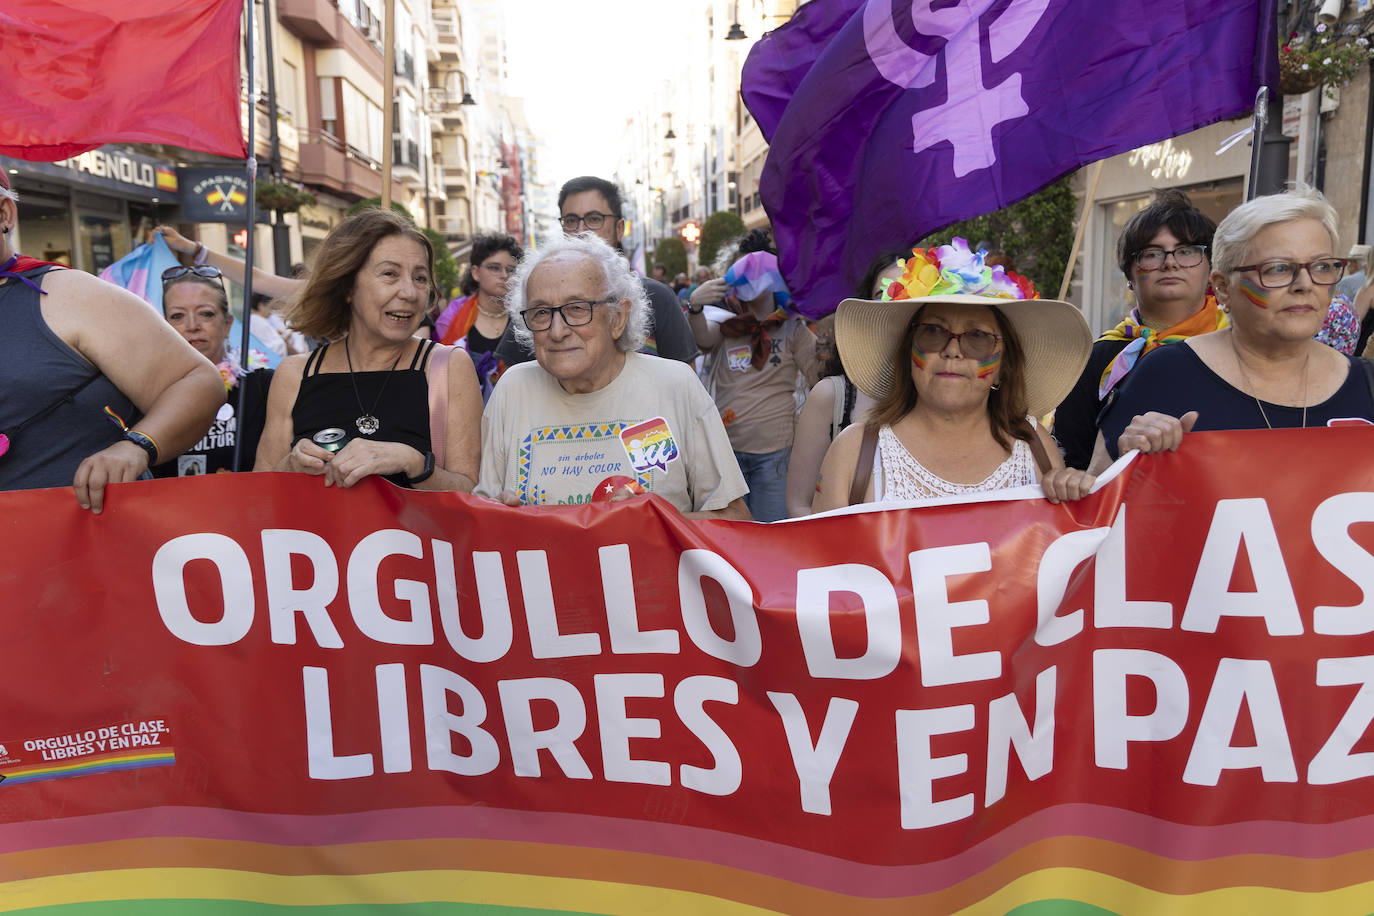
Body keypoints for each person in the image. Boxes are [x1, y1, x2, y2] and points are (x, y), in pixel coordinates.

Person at [1092, 187, 1373, 468]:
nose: (1304, 284)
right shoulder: (1164, 373)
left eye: (1322, 267)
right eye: (1277, 268)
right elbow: (1097, 497)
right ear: (1223, 288)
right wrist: (1129, 459)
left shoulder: (1368, 384)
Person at [476, 234, 749, 519]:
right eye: (542, 312)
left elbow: (736, 518)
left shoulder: (675, 385)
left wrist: (654, 521)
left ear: (617, 318)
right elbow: (482, 515)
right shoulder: (513, 390)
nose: (557, 332)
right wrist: (498, 516)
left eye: (577, 308)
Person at [814, 240, 1095, 511]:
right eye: (933, 332)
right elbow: (820, 557)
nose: (952, 351)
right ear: (907, 353)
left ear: (1003, 367)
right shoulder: (854, 452)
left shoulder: (1037, 448)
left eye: (977, 337)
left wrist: (1078, 496)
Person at [0, 172, 224, 511]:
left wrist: (137, 446)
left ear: (4, 213)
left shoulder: (67, 294)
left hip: (85, 545)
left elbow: (198, 383)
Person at [255, 208, 482, 490]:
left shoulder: (448, 366)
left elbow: (470, 490)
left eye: (420, 278)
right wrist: (290, 466)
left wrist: (413, 462)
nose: (409, 293)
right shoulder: (294, 375)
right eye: (390, 274)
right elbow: (260, 492)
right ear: (347, 287)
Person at [1053, 191, 1223, 469]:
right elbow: (1073, 461)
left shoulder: (1240, 346)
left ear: (1211, 269)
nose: (1170, 262)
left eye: (1187, 251)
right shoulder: (1097, 358)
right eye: (1152, 254)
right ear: (1129, 276)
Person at [687, 249, 822, 521]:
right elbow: (702, 336)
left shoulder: (793, 330)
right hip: (726, 453)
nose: (754, 281)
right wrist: (695, 306)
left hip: (776, 454)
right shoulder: (728, 329)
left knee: (771, 535)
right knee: (733, 537)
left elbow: (819, 378)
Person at [785, 254, 903, 517]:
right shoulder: (832, 396)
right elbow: (800, 505)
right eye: (880, 294)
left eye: (905, 292)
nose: (891, 303)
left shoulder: (947, 398)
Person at [558, 176, 698, 362]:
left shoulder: (656, 297)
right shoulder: (540, 302)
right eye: (571, 220)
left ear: (619, 229)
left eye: (594, 219)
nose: (581, 230)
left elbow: (685, 382)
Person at [154, 266, 273, 476]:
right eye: (177, 316)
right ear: (165, 327)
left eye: (206, 314)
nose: (192, 326)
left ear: (227, 325)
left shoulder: (264, 386)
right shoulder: (148, 393)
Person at [434, 234, 524, 402]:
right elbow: (438, 370)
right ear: (475, 272)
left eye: (510, 269)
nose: (504, 275)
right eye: (494, 268)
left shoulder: (524, 316)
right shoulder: (452, 317)